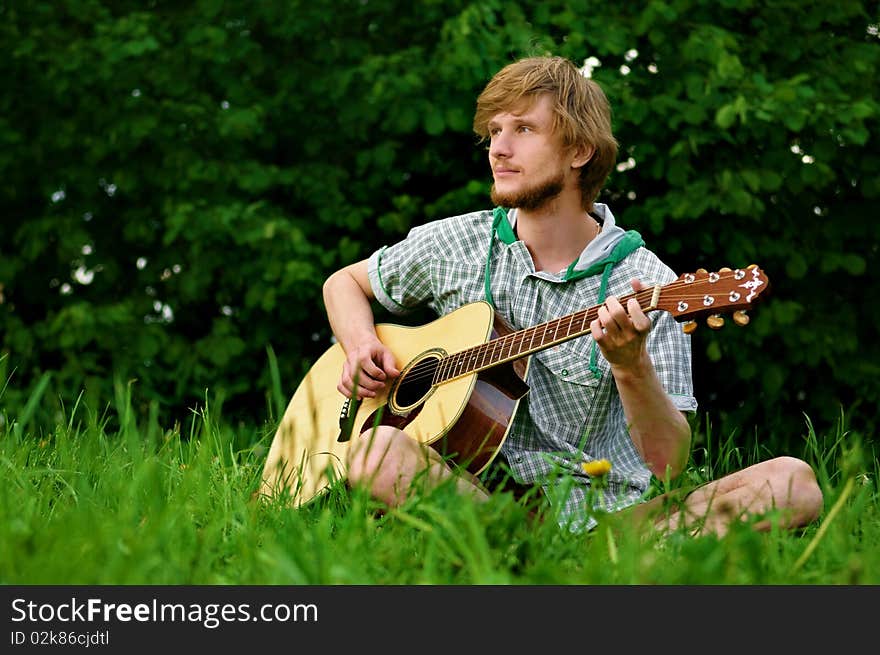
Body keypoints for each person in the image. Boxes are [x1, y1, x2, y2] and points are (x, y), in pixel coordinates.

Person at [321, 55, 823, 536]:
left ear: (579, 151)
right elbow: (343, 283)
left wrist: (630, 366)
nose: (498, 148)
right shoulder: (458, 242)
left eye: (523, 129)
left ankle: (539, 566)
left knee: (791, 483)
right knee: (374, 452)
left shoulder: (645, 283)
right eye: (494, 131)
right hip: (476, 495)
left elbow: (669, 463)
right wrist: (362, 343)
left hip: (606, 518)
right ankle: (545, 562)